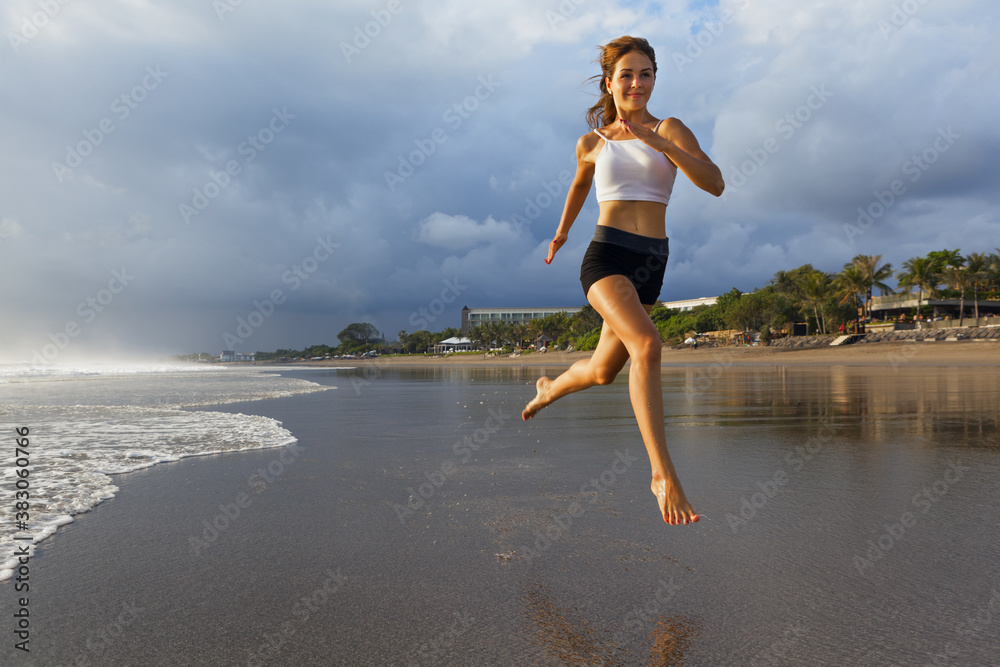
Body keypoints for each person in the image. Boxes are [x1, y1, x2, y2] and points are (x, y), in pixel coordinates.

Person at [522, 36, 724, 525]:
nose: (636, 83)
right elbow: (578, 186)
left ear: (655, 78)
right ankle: (661, 473)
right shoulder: (593, 142)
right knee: (648, 347)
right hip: (605, 256)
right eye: (627, 75)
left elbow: (714, 183)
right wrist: (561, 233)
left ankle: (549, 389)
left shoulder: (670, 128)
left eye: (646, 74)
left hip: (652, 261)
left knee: (601, 371)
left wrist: (659, 143)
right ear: (609, 84)